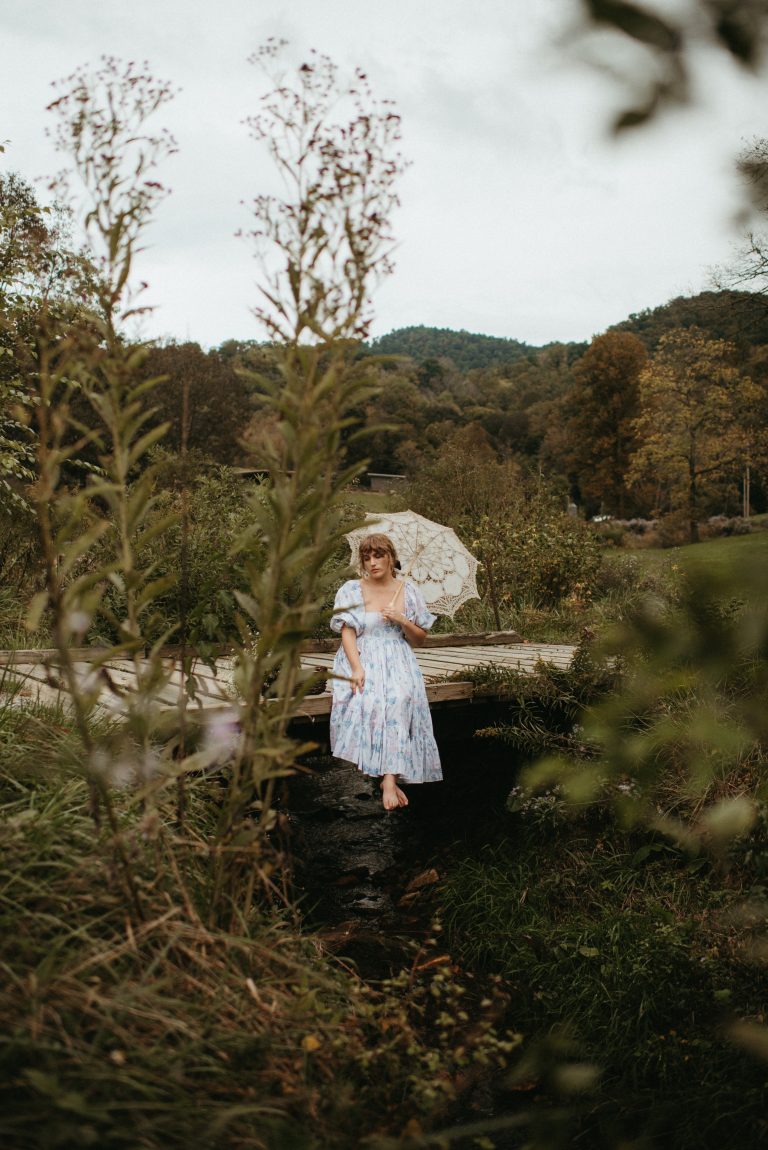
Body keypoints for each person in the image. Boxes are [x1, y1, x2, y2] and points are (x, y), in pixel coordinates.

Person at [329, 533, 443, 810]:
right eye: (366, 558)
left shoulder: (408, 591)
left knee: (400, 699)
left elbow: (419, 639)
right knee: (370, 699)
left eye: (378, 556)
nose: (372, 563)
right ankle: (381, 772)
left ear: (390, 557)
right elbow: (348, 633)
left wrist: (401, 619)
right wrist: (356, 668)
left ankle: (389, 778)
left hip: (397, 657)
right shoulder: (351, 590)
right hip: (362, 655)